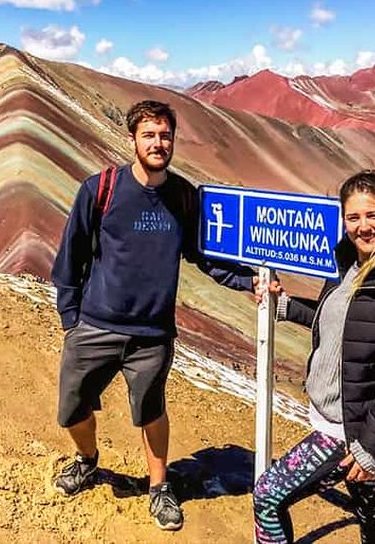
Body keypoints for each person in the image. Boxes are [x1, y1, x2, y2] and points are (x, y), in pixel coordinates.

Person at [51, 100, 261, 531]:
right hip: (95, 324)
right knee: (71, 411)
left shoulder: (184, 196)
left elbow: (205, 256)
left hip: (152, 334)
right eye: (149, 134)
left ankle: (159, 486)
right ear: (133, 139)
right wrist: (71, 321)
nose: (158, 143)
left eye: (165, 135)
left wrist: (249, 281)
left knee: (151, 411)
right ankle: (88, 459)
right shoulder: (100, 189)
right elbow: (70, 257)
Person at [253, 169, 375, 543]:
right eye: (353, 217)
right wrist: (285, 306)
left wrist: (370, 448)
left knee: (267, 496)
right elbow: (340, 322)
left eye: (374, 216)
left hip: (348, 430)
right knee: (371, 510)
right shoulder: (348, 264)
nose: (363, 227)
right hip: (342, 417)